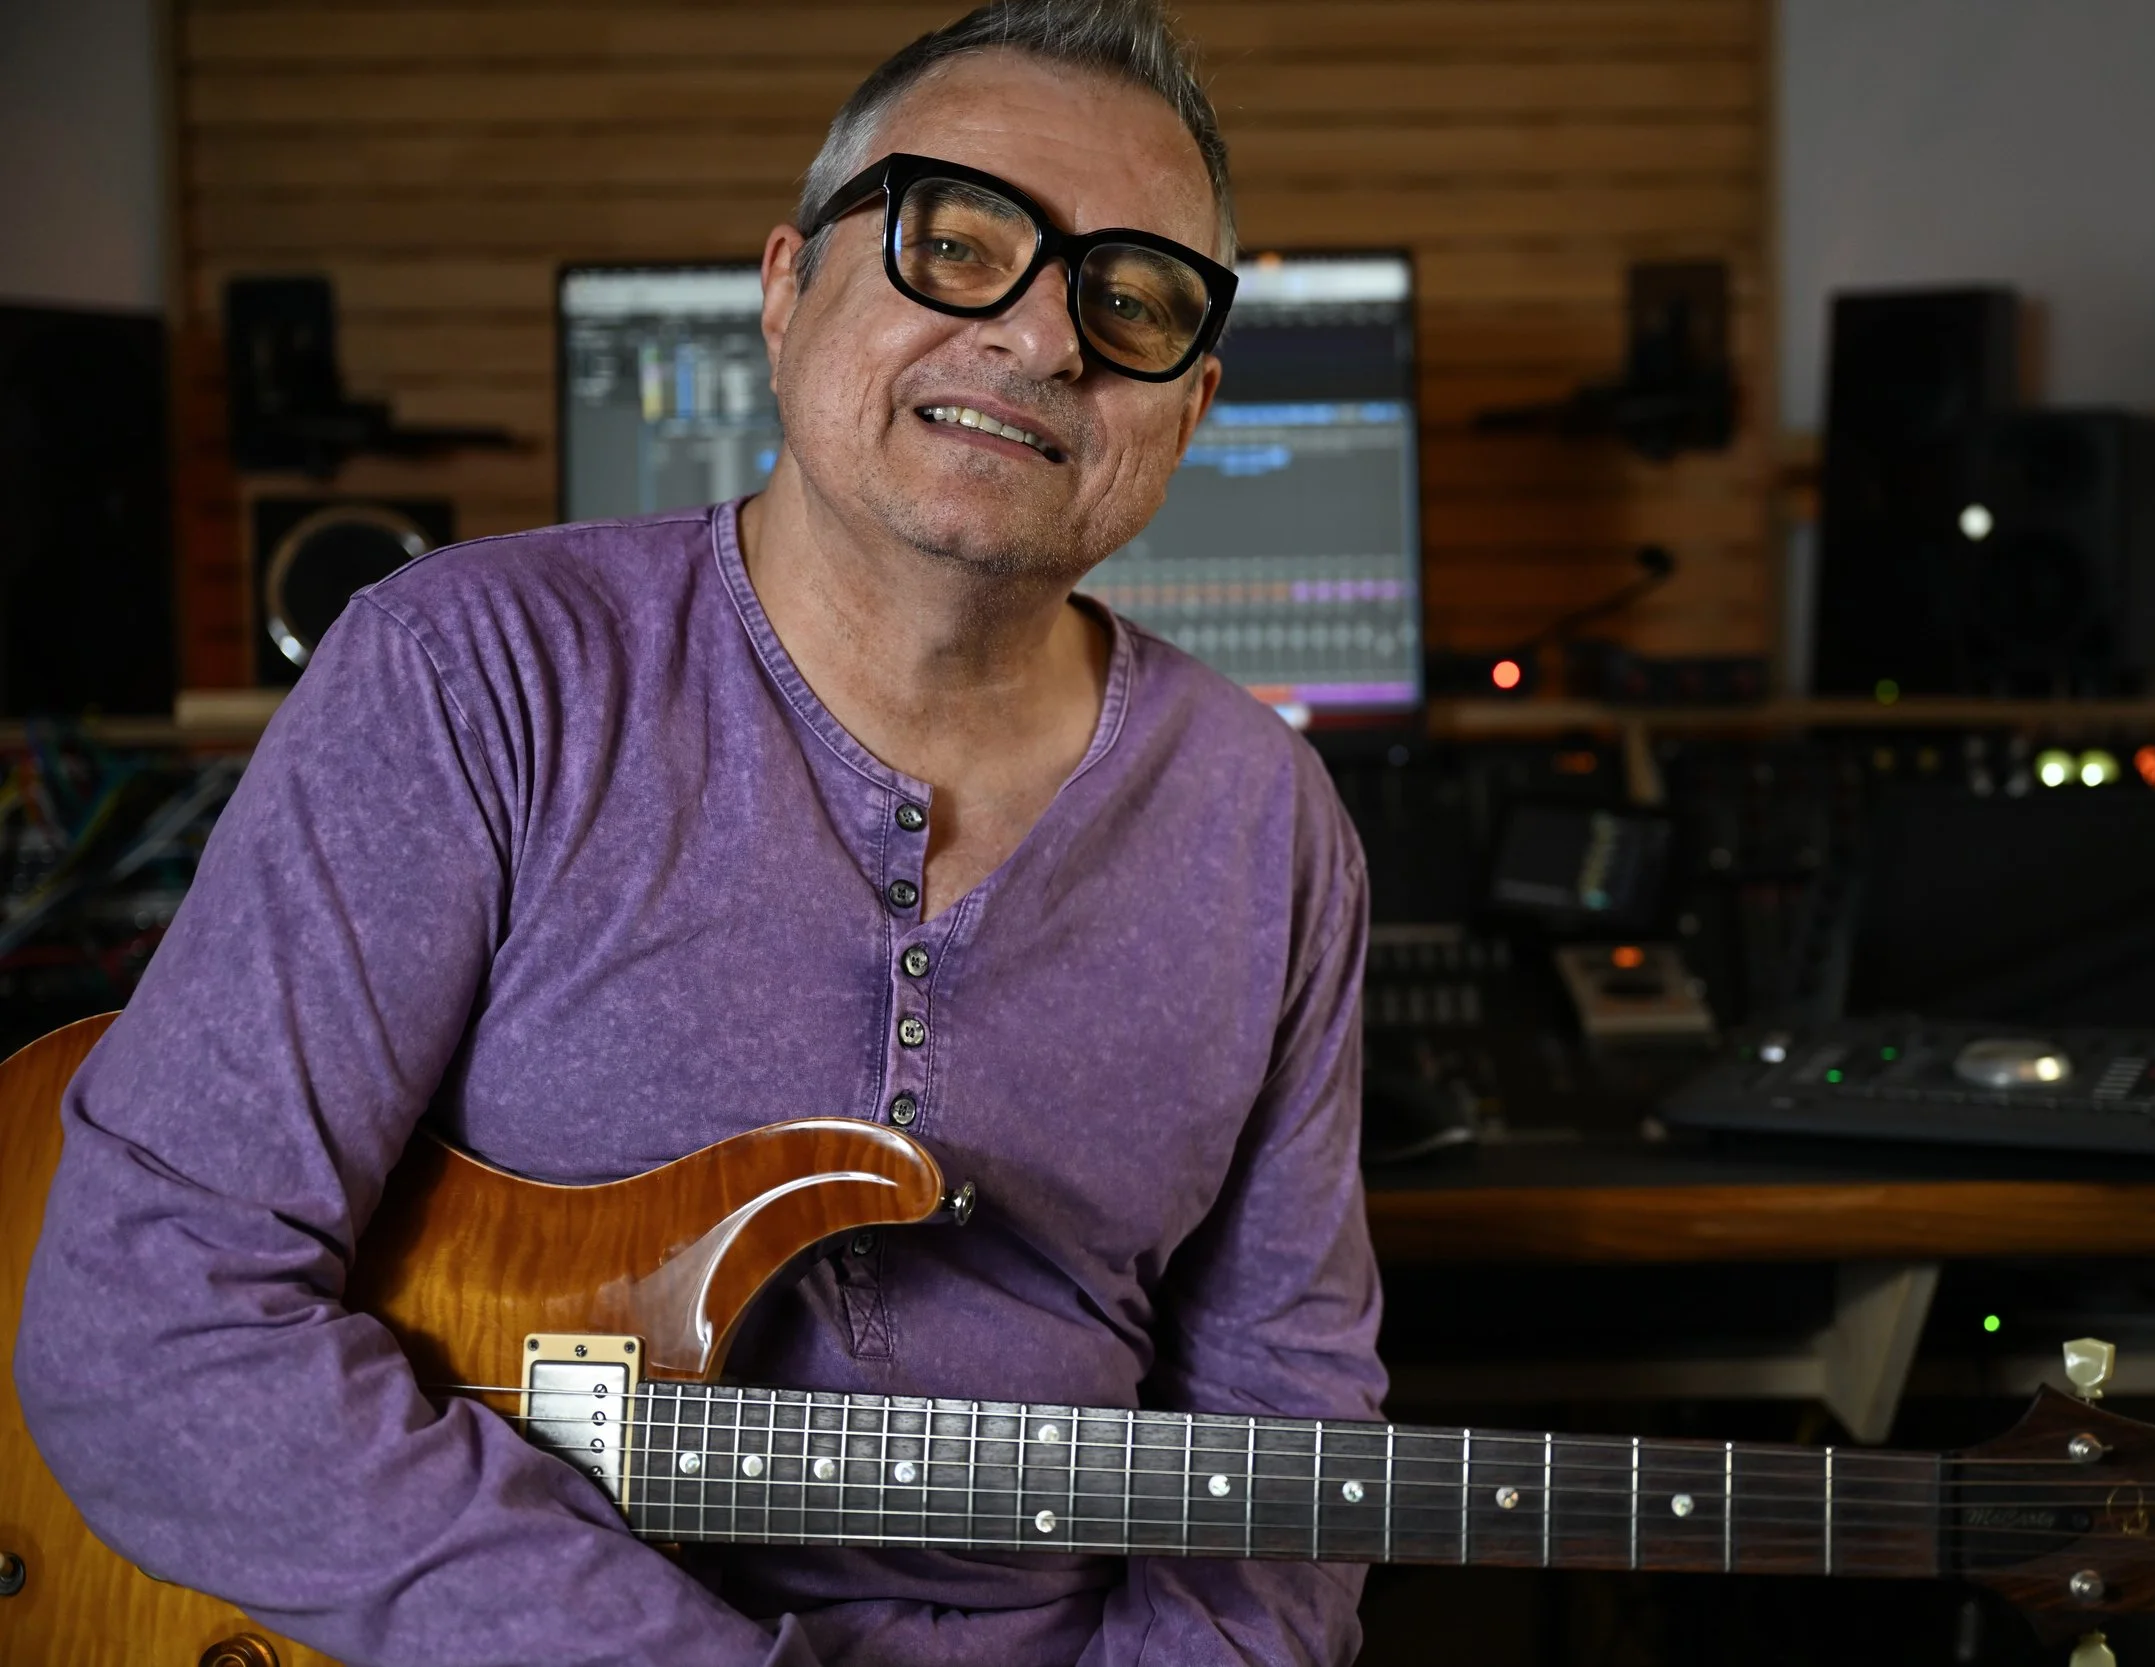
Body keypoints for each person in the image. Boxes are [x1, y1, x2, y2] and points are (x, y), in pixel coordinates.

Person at [14, 2, 1385, 1662]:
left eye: (1133, 300)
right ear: (787, 289)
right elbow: (151, 1313)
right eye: (957, 244)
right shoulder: (470, 677)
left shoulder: (1270, 817)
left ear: (1193, 404)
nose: (1041, 337)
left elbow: (1284, 1409)